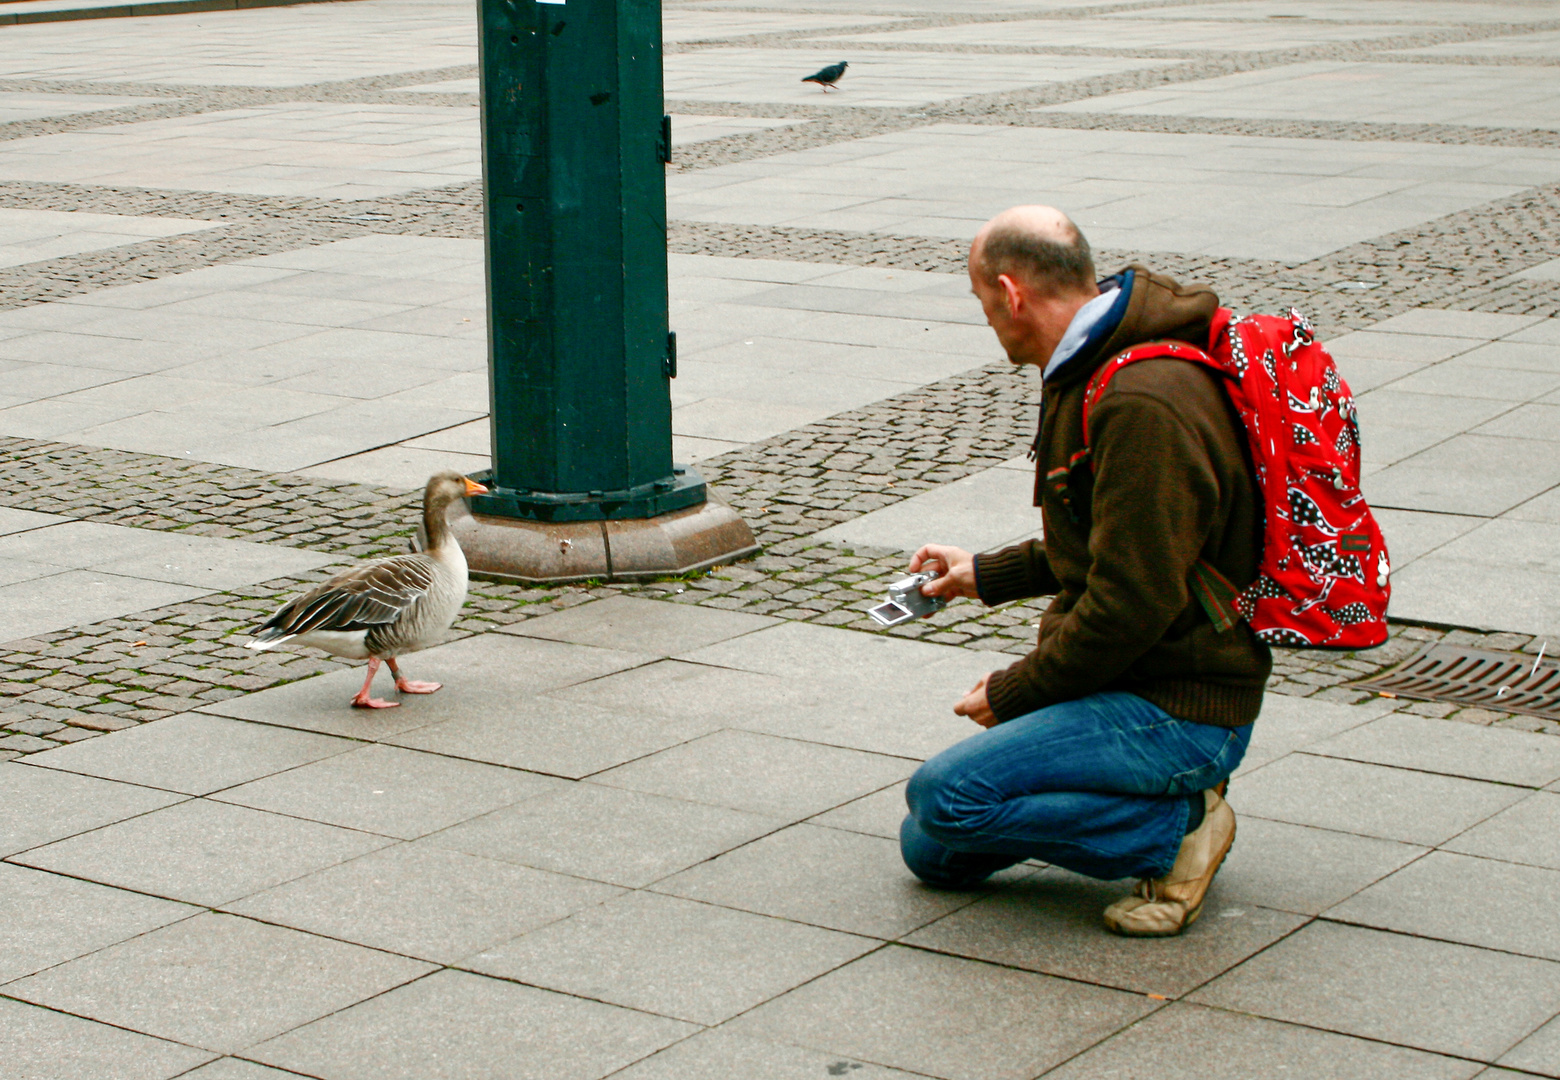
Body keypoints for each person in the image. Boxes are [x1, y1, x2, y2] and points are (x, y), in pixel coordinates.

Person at [901, 205, 1271, 937]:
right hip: (1131, 674)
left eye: (982, 305)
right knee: (932, 851)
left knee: (947, 800)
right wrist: (984, 573)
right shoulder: (1088, 365)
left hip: (1180, 704)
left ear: (1011, 294)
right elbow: (1110, 542)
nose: (988, 323)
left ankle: (1181, 829)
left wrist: (1013, 693)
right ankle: (1152, 812)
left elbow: (1131, 601)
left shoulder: (1141, 402)